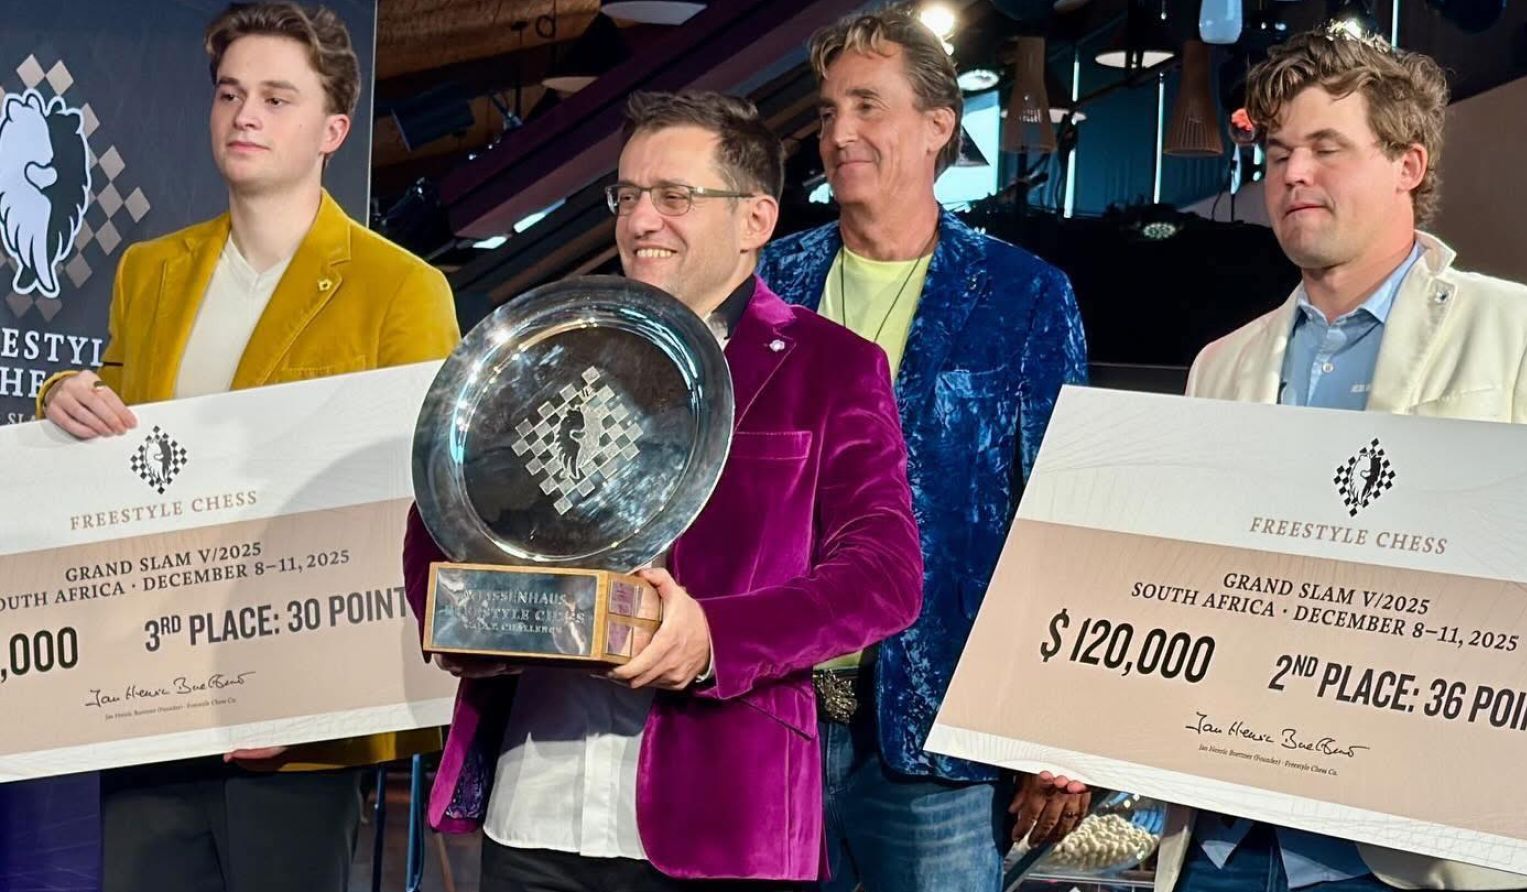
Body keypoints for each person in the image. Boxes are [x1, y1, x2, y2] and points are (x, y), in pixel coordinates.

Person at [403, 90, 924, 891]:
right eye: (628, 195)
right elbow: (445, 513)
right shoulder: (552, 347)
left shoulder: (831, 367)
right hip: (533, 804)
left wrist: (715, 639)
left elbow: (884, 577)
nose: (641, 220)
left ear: (755, 219)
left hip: (722, 824)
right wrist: (470, 623)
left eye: (675, 196)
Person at [37, 3, 460, 890]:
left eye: (275, 97)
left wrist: (301, 697)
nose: (245, 116)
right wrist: (63, 394)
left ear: (332, 131)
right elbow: (112, 427)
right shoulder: (149, 270)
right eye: (230, 94)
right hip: (148, 702)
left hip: (297, 731)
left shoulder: (402, 289)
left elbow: (416, 507)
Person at [1168, 25, 1527, 892]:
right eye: (1278, 154)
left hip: (1406, 846)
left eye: (1327, 148)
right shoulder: (1220, 364)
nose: (1294, 174)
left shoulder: (1523, 333)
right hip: (1226, 839)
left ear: (1408, 165)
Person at [757, 7, 1092, 891]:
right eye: (829, 112)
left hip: (937, 732)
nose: (841, 132)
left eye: (868, 105)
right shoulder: (768, 283)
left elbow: (1061, 518)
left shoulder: (1023, 295)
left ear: (939, 125)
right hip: (772, 718)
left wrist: (1058, 731)